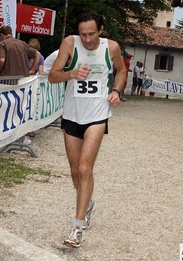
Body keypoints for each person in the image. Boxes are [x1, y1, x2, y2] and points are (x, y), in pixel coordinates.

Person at [48, 10, 126, 248]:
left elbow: (121, 71)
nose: (87, 39)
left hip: (97, 116)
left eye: (92, 33)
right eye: (83, 34)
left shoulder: (111, 48)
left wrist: (117, 91)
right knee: (74, 171)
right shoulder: (70, 43)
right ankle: (88, 203)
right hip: (72, 114)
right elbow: (52, 76)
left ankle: (77, 227)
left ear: (100, 31)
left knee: (84, 168)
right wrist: (71, 73)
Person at [0, 26, 40, 144]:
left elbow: (2, 60)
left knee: (7, 108)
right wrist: (32, 70)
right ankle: (22, 136)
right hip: (23, 82)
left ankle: (7, 136)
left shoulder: (3, 44)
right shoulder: (22, 44)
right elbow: (37, 54)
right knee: (21, 108)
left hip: (8, 82)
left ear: (2, 35)